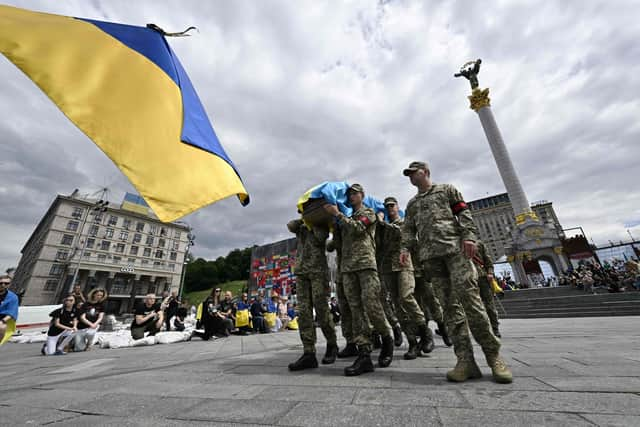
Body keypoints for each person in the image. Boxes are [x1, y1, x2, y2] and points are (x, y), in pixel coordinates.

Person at [400, 161, 512, 383]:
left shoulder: (447, 190)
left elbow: (464, 214)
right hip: (431, 259)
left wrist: (469, 236)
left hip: (455, 252)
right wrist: (405, 248)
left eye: (415, 172)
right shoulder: (412, 204)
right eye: (409, 175)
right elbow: (409, 229)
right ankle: (465, 361)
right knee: (450, 310)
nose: (412, 177)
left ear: (426, 172)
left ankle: (494, 357)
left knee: (472, 304)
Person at [323, 183, 394, 376]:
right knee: (356, 310)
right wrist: (333, 229)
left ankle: (387, 338)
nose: (351, 196)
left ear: (362, 195)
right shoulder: (344, 219)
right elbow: (335, 245)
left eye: (354, 193)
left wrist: (338, 215)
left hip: (365, 265)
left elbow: (358, 229)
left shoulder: (369, 212)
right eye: (349, 194)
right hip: (347, 269)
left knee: (372, 305)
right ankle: (364, 355)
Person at [377, 196, 434, 360]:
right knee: (397, 305)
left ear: (397, 206)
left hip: (404, 265)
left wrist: (382, 222)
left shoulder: (403, 222)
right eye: (387, 207)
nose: (390, 209)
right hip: (388, 268)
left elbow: (398, 234)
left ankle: (425, 332)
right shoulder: (382, 229)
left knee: (406, 296)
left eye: (392, 206)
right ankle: (412, 343)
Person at [286, 218, 338, 371]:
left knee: (321, 310)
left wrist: (313, 222)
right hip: (301, 272)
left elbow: (321, 238)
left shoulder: (320, 224)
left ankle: (332, 343)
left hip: (317, 271)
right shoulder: (301, 226)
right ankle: (309, 352)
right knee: (303, 312)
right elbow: (290, 226)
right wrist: (304, 218)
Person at [473, 241, 501, 338]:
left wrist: (490, 273)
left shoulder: (479, 244)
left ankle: (495, 328)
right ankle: (482, 329)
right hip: (467, 280)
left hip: (482, 278)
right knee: (474, 307)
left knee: (489, 306)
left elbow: (487, 260)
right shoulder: (456, 243)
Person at [0, 275, 19, 345]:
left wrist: (2, 321)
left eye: (6, 283)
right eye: (1, 283)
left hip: (4, 319)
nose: (3, 285)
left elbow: (11, 313)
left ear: (9, 284)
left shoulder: (13, 297)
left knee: (1, 327)